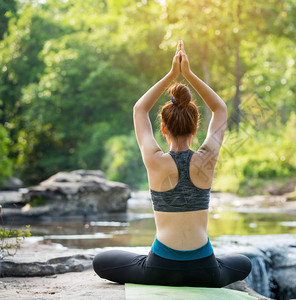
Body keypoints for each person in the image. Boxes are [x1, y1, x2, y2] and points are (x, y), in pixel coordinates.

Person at [92, 40, 252, 287]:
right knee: (243, 262)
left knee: (101, 261)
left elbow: (139, 110)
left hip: (160, 269)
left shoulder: (155, 161)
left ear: (163, 128)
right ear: (196, 127)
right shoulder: (206, 160)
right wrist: (188, 74)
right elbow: (220, 109)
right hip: (206, 271)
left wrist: (171, 75)